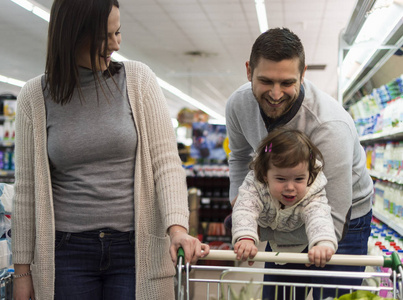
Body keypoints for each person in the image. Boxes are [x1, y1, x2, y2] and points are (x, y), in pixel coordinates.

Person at [11, 0, 209, 299]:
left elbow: (166, 164)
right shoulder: (34, 98)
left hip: (134, 249)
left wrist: (177, 228)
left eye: (118, 32)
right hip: (65, 253)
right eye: (106, 36)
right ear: (73, 35)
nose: (116, 43)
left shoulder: (138, 81)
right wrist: (22, 271)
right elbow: (26, 190)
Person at [225, 27, 373, 299]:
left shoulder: (329, 125)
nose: (276, 93)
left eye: (287, 82)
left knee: (330, 294)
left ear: (303, 75)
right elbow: (239, 156)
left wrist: (313, 245)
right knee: (279, 292)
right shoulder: (238, 105)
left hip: (343, 212)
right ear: (249, 71)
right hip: (282, 207)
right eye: (266, 81)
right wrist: (241, 205)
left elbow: (335, 211)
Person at [232, 128, 337, 270]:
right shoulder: (256, 185)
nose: (290, 187)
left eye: (299, 179)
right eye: (281, 179)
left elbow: (319, 216)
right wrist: (246, 238)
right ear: (264, 176)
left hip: (304, 241)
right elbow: (245, 208)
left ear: (309, 175)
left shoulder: (312, 192)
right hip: (272, 237)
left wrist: (323, 243)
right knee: (276, 291)